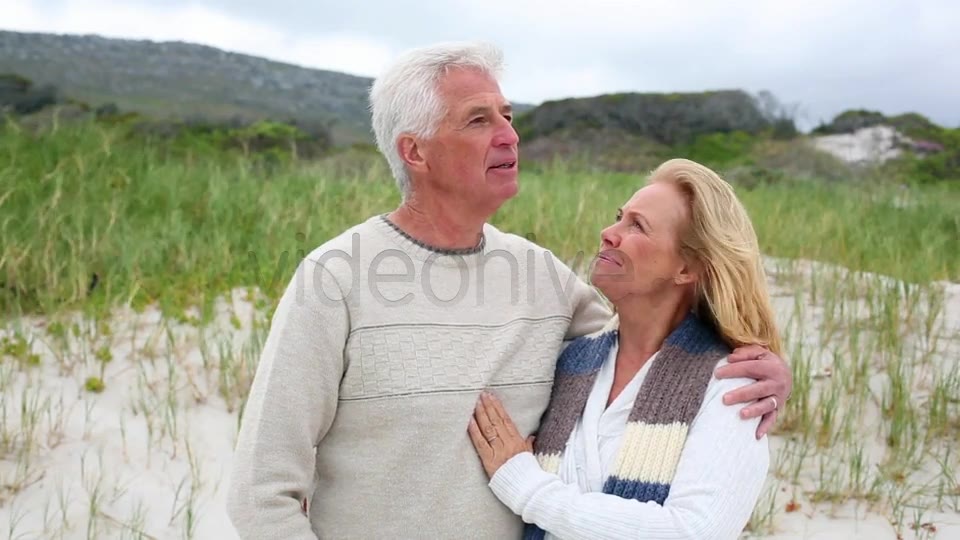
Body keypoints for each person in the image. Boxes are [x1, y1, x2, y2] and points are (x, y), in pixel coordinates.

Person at [225, 42, 791, 539]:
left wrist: (763, 368)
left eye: (508, 114)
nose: (509, 135)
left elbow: (655, 346)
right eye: (477, 121)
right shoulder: (335, 277)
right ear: (414, 151)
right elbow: (260, 492)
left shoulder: (542, 278)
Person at [468, 158, 780, 539]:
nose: (608, 232)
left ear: (687, 267)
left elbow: (694, 531)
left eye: (637, 226)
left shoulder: (734, 387)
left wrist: (526, 487)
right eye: (620, 217)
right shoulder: (572, 362)